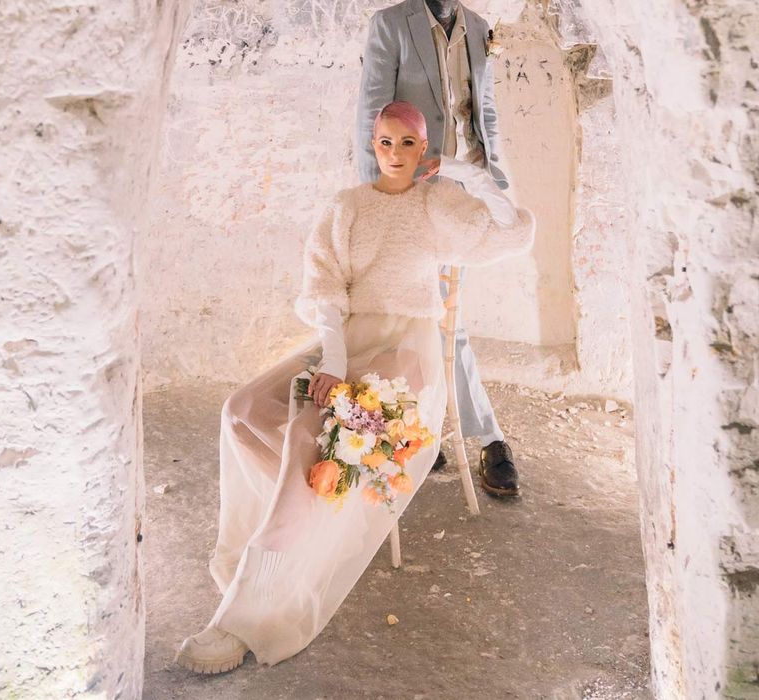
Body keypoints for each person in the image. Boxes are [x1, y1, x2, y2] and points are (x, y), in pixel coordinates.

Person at [174, 101, 534, 674]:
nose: (395, 155)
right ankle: (258, 547)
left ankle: (247, 619)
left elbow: (510, 235)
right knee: (241, 411)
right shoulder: (347, 207)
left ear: (423, 151)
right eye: (386, 142)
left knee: (308, 446)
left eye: (408, 144)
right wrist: (334, 359)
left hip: (406, 355)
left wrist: (466, 173)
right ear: (373, 143)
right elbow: (322, 285)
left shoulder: (436, 203)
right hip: (346, 340)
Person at [356, 0, 521, 497]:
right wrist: (377, 198)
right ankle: (486, 439)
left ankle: (424, 434)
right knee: (439, 318)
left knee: (445, 316)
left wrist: (495, 185)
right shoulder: (389, 25)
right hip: (412, 193)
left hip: (464, 192)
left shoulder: (476, 27)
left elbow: (482, 110)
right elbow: (372, 112)